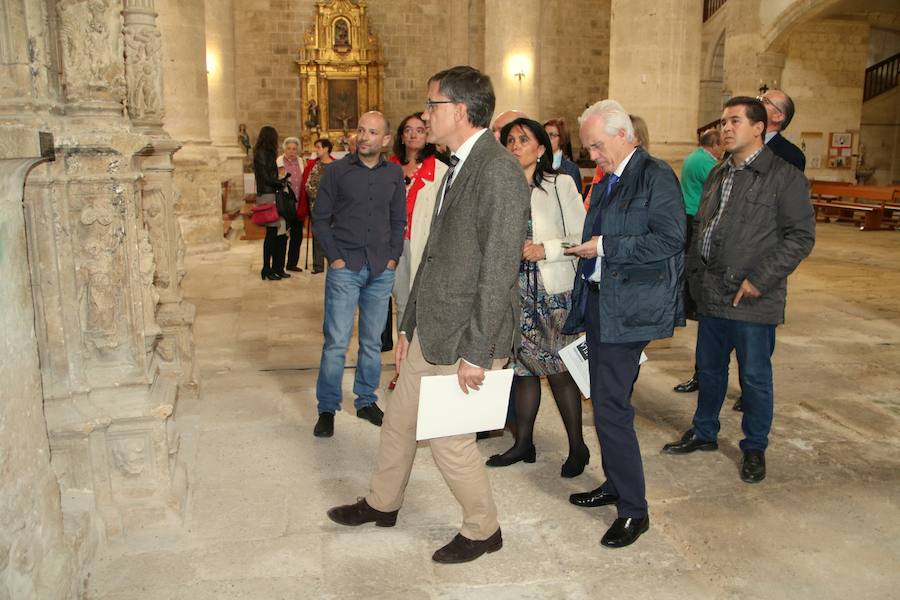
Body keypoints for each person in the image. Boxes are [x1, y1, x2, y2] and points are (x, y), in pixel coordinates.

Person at [326, 65, 530, 564]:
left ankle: (484, 530)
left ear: (460, 110)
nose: (423, 115)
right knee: (398, 422)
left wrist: (479, 353)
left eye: (431, 105)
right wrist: (407, 323)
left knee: (449, 441)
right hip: (429, 329)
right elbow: (433, 253)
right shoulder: (455, 164)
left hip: (466, 337)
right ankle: (382, 503)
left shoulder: (498, 171)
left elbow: (500, 268)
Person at [661, 96, 815, 484]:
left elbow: (800, 237)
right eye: (724, 121)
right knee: (709, 370)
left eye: (734, 121)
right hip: (712, 291)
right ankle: (704, 431)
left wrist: (760, 280)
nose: (725, 128)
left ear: (759, 127)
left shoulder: (784, 176)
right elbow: (705, 227)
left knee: (755, 377)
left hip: (751, 296)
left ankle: (754, 446)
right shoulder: (718, 173)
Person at [563, 100, 685, 549]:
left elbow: (670, 239)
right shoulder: (611, 178)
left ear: (621, 134)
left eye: (596, 146)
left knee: (612, 408)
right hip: (601, 303)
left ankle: (634, 510)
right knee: (605, 403)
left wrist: (605, 246)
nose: (592, 155)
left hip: (629, 310)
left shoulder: (654, 175)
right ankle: (615, 484)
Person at [487, 117, 589, 478]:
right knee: (523, 371)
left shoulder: (560, 184)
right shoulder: (501, 186)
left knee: (560, 372)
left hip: (552, 291)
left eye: (523, 139)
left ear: (542, 148)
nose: (515, 145)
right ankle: (523, 442)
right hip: (514, 294)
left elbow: (581, 237)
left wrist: (544, 249)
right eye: (510, 140)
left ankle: (578, 446)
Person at [310, 112, 406, 438]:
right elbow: (320, 218)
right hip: (345, 267)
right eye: (361, 130)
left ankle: (366, 400)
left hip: (381, 268)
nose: (364, 137)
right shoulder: (336, 172)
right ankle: (327, 407)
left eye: (372, 132)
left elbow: (398, 221)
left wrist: (394, 257)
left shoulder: (393, 173)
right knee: (336, 342)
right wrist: (334, 258)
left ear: (385, 139)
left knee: (371, 342)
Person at [386, 112, 449, 388]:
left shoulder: (440, 169)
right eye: (408, 130)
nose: (413, 135)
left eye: (420, 130)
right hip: (394, 241)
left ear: (428, 135)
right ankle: (402, 367)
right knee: (401, 301)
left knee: (419, 301)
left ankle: (420, 365)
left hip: (422, 241)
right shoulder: (388, 167)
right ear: (401, 135)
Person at [673, 128, 725, 394]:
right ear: (714, 144)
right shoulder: (709, 164)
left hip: (690, 214)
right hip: (697, 217)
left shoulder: (692, 157)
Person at [253, 125, 290, 281]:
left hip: (271, 194)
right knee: (271, 234)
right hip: (268, 196)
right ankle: (266, 269)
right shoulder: (262, 154)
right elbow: (265, 177)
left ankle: (275, 268)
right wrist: (280, 183)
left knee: (277, 234)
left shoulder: (266, 153)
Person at [304, 138, 335, 274]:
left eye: (318, 147)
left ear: (327, 149)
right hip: (316, 206)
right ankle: (318, 265)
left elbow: (340, 186)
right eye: (316, 147)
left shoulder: (336, 166)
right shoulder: (314, 165)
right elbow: (308, 185)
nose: (316, 150)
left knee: (333, 235)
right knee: (317, 235)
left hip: (333, 208)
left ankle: (333, 262)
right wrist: (320, 199)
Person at [277, 137, 306, 272]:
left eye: (294, 149)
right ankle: (279, 265)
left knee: (297, 235)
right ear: (285, 149)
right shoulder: (279, 161)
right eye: (289, 149)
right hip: (284, 204)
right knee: (282, 235)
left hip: (298, 204)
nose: (291, 151)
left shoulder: (301, 161)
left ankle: (292, 263)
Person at [759, 89, 805, 172]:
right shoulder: (738, 143)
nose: (756, 103)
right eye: (757, 98)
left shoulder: (791, 155)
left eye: (764, 101)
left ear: (778, 117)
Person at [544, 118, 583, 195]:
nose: (546, 139)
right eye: (544, 135)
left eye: (551, 135)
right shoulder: (535, 163)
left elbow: (576, 201)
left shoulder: (571, 169)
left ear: (561, 139)